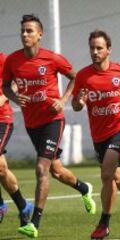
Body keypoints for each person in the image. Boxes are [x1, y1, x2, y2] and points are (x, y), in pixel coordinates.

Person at [2, 14, 96, 238]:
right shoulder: (13, 61)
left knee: (41, 169)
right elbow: (6, 86)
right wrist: (14, 98)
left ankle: (33, 223)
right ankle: (84, 188)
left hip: (53, 121)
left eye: (29, 31)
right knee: (55, 170)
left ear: (40, 35)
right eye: (23, 31)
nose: (25, 34)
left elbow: (77, 77)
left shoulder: (52, 59)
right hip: (32, 124)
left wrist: (63, 101)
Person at [71, 30, 120, 240]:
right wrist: (79, 102)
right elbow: (76, 105)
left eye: (99, 48)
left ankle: (104, 224)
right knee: (115, 176)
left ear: (108, 50)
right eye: (92, 48)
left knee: (106, 174)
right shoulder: (83, 76)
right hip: (99, 135)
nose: (95, 52)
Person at [0, 52, 33, 226]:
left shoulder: (4, 60)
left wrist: (3, 97)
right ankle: (23, 205)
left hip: (2, 120)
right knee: (2, 169)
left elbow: (17, 82)